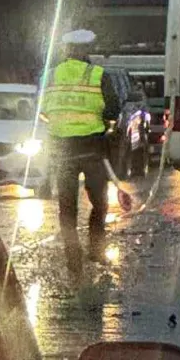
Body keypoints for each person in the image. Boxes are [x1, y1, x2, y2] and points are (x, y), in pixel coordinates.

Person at [39, 29, 120, 274]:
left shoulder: (50, 75)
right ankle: (96, 250)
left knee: (66, 206)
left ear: (66, 50)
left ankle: (72, 258)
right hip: (91, 149)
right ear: (87, 51)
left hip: (61, 150)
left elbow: (42, 111)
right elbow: (113, 109)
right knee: (99, 202)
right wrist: (104, 123)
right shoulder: (98, 75)